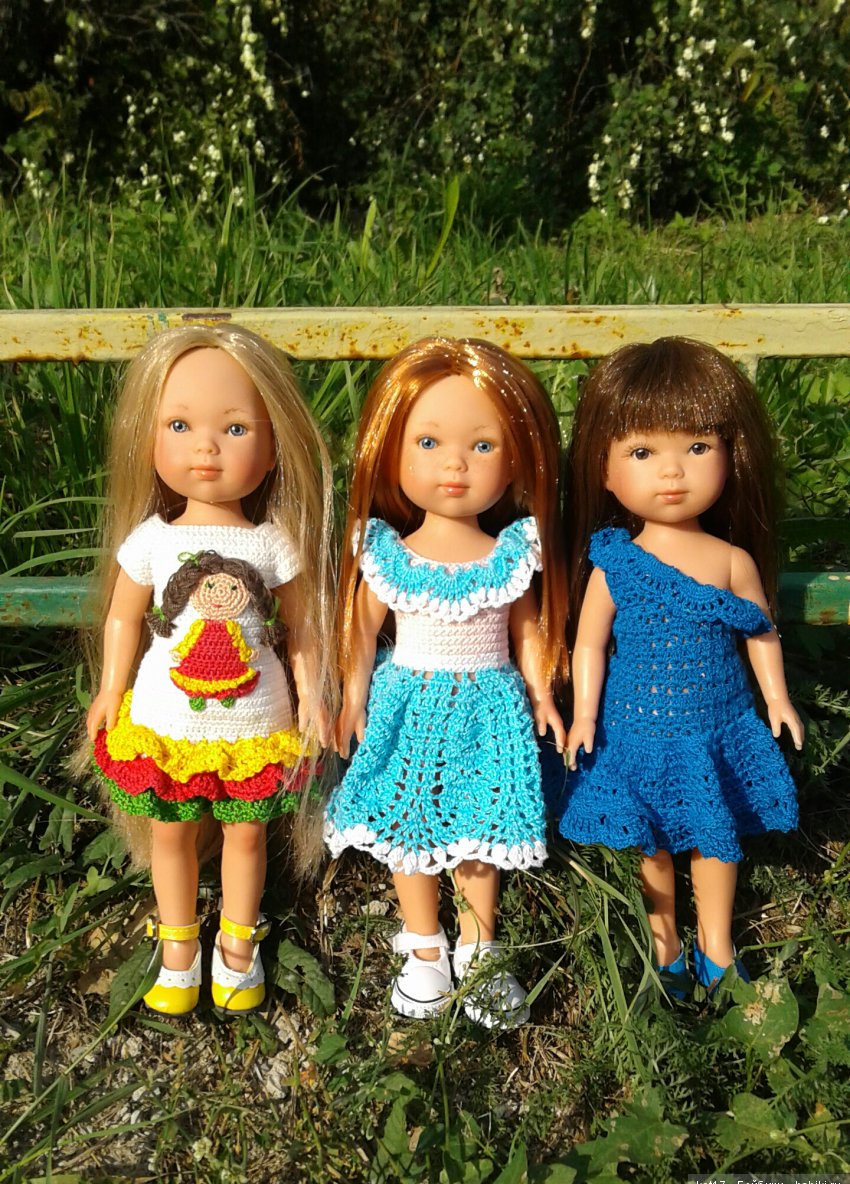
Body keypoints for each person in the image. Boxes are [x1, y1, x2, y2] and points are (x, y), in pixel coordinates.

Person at [86, 324, 334, 1015]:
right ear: (148, 438)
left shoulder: (271, 543)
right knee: (170, 830)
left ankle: (236, 945)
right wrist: (109, 688)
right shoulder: (153, 539)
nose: (206, 447)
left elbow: (303, 628)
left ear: (274, 445)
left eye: (235, 428)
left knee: (245, 833)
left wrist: (313, 697)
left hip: (256, 723)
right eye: (180, 425)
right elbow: (121, 618)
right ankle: (177, 948)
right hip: (166, 722)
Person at [324, 337, 567, 1026]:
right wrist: (353, 696)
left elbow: (526, 630)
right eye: (427, 442)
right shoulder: (390, 554)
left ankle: (480, 945)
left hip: (490, 707)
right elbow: (360, 631)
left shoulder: (510, 555)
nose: (454, 464)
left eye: (482, 446)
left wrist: (542, 691)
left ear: (517, 459)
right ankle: (424, 944)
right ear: (390, 452)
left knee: (482, 826)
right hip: (409, 703)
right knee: (408, 819)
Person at [559, 336, 803, 996]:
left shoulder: (730, 560)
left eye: (697, 447)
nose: (672, 472)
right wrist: (584, 716)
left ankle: (716, 944)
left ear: (730, 455)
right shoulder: (617, 565)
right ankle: (665, 942)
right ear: (605, 471)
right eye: (642, 453)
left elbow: (761, 630)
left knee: (717, 838)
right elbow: (589, 645)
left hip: (716, 727)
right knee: (654, 841)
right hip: (638, 731)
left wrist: (776, 698)